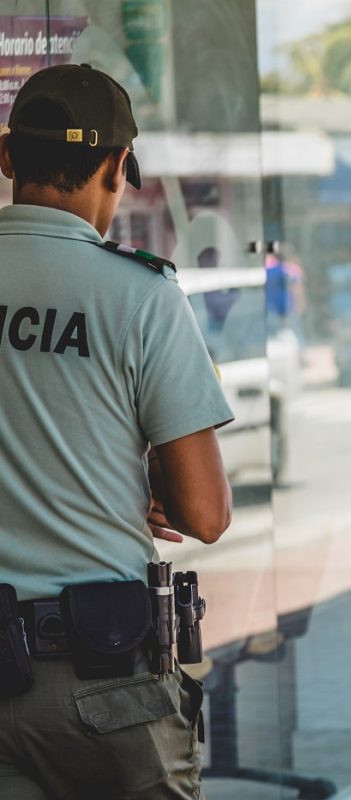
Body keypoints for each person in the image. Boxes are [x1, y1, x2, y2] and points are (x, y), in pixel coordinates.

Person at [0, 64, 234, 798]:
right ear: (116, 166)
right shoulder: (140, 294)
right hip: (104, 677)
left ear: (6, 156)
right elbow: (205, 514)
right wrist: (150, 477)